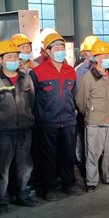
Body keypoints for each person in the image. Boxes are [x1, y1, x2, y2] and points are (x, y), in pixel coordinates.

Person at [0, 40, 36, 214]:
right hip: (2, 132)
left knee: (25, 166)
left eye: (16, 56)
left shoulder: (26, 78)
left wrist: (26, 119)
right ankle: (0, 201)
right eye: (9, 57)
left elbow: (31, 102)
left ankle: (22, 195)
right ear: (0, 60)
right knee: (2, 169)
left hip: (24, 130)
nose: (14, 60)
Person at [29, 31, 79, 201]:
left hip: (68, 121)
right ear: (48, 52)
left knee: (68, 155)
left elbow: (73, 95)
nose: (60, 51)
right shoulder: (37, 72)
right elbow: (31, 99)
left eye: (62, 48)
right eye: (56, 48)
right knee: (48, 156)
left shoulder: (70, 71)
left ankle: (69, 184)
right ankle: (49, 188)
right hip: (47, 122)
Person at [76, 40, 109, 192]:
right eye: (104, 56)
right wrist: (91, 113)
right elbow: (81, 102)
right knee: (92, 152)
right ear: (96, 58)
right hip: (94, 121)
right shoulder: (87, 78)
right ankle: (91, 181)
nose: (108, 58)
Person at [74, 35, 99, 176]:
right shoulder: (80, 70)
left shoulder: (103, 69)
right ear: (84, 53)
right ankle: (82, 163)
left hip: (99, 112)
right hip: (84, 111)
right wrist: (83, 110)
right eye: (90, 51)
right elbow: (78, 94)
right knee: (82, 138)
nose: (92, 53)